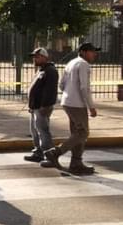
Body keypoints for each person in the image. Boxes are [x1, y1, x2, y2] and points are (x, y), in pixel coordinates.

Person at [41, 42, 100, 175]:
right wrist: (91, 107)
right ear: (84, 52)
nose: (95, 54)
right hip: (77, 103)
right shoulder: (84, 64)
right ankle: (56, 152)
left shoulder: (71, 62)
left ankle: (76, 162)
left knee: (77, 134)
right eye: (92, 51)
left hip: (67, 101)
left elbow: (62, 85)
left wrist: (69, 92)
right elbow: (85, 87)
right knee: (83, 133)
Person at [25, 46, 58, 163]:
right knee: (34, 131)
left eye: (37, 57)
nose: (34, 59)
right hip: (35, 107)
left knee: (43, 131)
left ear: (45, 57)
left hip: (42, 107)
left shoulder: (50, 71)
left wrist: (45, 106)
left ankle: (50, 155)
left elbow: (50, 91)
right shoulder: (41, 70)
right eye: (34, 57)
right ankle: (38, 152)